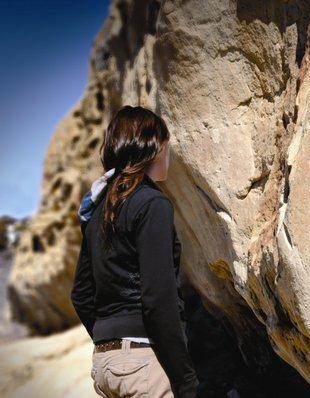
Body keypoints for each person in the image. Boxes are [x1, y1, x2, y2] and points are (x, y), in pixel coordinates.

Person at [70, 105, 201, 397]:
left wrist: (111, 337)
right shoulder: (152, 204)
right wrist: (185, 378)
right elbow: (158, 298)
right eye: (167, 146)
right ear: (155, 148)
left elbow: (80, 294)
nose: (169, 154)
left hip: (105, 365)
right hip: (142, 365)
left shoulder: (98, 211)